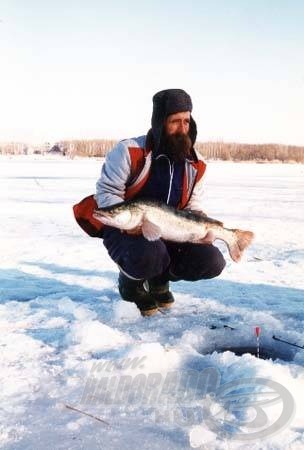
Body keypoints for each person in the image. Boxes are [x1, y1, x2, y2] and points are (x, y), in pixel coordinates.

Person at [75, 89, 226, 316]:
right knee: (150, 254)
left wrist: (203, 229)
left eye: (186, 121)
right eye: (175, 121)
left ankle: (159, 280)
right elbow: (108, 192)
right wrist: (131, 224)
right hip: (127, 230)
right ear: (159, 122)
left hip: (173, 230)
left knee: (211, 260)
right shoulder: (129, 151)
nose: (182, 128)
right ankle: (131, 284)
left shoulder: (197, 163)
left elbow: (193, 206)